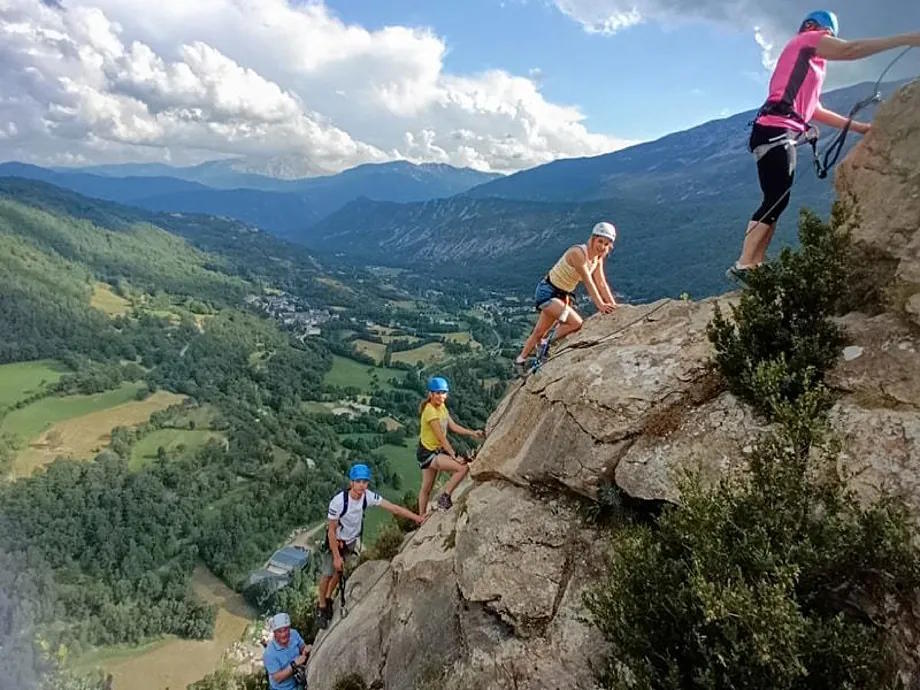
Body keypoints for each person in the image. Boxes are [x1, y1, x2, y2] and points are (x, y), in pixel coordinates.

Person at [729, 11, 920, 277]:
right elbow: (851, 50)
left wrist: (859, 128)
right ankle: (745, 263)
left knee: (778, 198)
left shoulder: (807, 62)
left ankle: (754, 264)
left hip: (776, 129)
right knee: (776, 197)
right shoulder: (807, 41)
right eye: (828, 35)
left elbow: (815, 109)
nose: (828, 40)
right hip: (776, 129)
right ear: (813, 28)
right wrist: (904, 39)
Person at [316, 463, 426, 627]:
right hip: (336, 541)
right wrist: (336, 556)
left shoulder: (368, 496)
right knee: (327, 573)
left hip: (350, 541)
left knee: (338, 573)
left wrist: (417, 518)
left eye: (365, 482)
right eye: (358, 481)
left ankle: (329, 598)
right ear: (351, 482)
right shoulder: (338, 502)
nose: (362, 485)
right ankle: (321, 606)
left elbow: (394, 508)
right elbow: (331, 530)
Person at [513, 221, 618, 375]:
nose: (602, 246)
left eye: (606, 243)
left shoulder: (597, 259)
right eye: (600, 241)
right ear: (593, 239)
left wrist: (614, 305)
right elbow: (589, 282)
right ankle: (545, 345)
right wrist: (601, 305)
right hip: (547, 292)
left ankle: (520, 361)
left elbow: (601, 283)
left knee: (539, 331)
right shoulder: (578, 254)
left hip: (560, 295)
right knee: (576, 322)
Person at [416, 376, 485, 513]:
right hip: (428, 453)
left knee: (427, 488)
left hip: (432, 450)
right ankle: (444, 498)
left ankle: (421, 518)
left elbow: (453, 426)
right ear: (430, 394)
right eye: (438, 393)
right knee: (462, 467)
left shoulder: (441, 407)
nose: (441, 396)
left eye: (443, 393)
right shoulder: (430, 411)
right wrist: (454, 456)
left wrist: (472, 433)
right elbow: (441, 438)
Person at [262, 612, 310, 690]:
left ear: (289, 628)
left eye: (286, 630)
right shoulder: (269, 653)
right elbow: (278, 678)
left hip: (298, 681)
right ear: (274, 633)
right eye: (279, 631)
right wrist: (294, 665)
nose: (283, 634)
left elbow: (302, 647)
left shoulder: (293, 634)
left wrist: (306, 649)